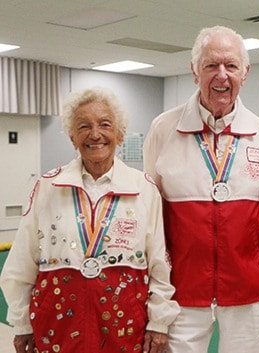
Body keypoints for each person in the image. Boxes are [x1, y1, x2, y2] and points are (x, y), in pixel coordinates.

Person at [0, 87, 180, 353]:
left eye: (105, 124)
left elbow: (159, 263)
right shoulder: (48, 187)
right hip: (58, 324)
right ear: (73, 137)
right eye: (83, 126)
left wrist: (159, 322)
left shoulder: (143, 188)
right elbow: (22, 262)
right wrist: (22, 324)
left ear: (119, 134)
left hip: (124, 325)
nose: (95, 134)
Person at [143, 26, 259, 353]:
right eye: (210, 65)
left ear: (245, 73)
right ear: (193, 71)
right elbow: (150, 215)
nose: (222, 75)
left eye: (231, 66)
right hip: (182, 291)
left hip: (249, 290)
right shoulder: (163, 129)